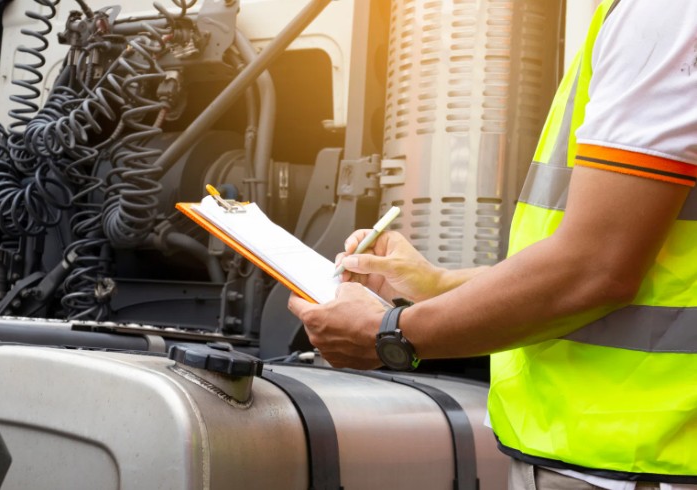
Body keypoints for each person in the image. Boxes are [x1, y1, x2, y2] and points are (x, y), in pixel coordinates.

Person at [287, 0, 697, 488]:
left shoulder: (666, 12)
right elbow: (641, 268)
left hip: (638, 461)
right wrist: (435, 285)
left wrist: (391, 335)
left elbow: (596, 269)